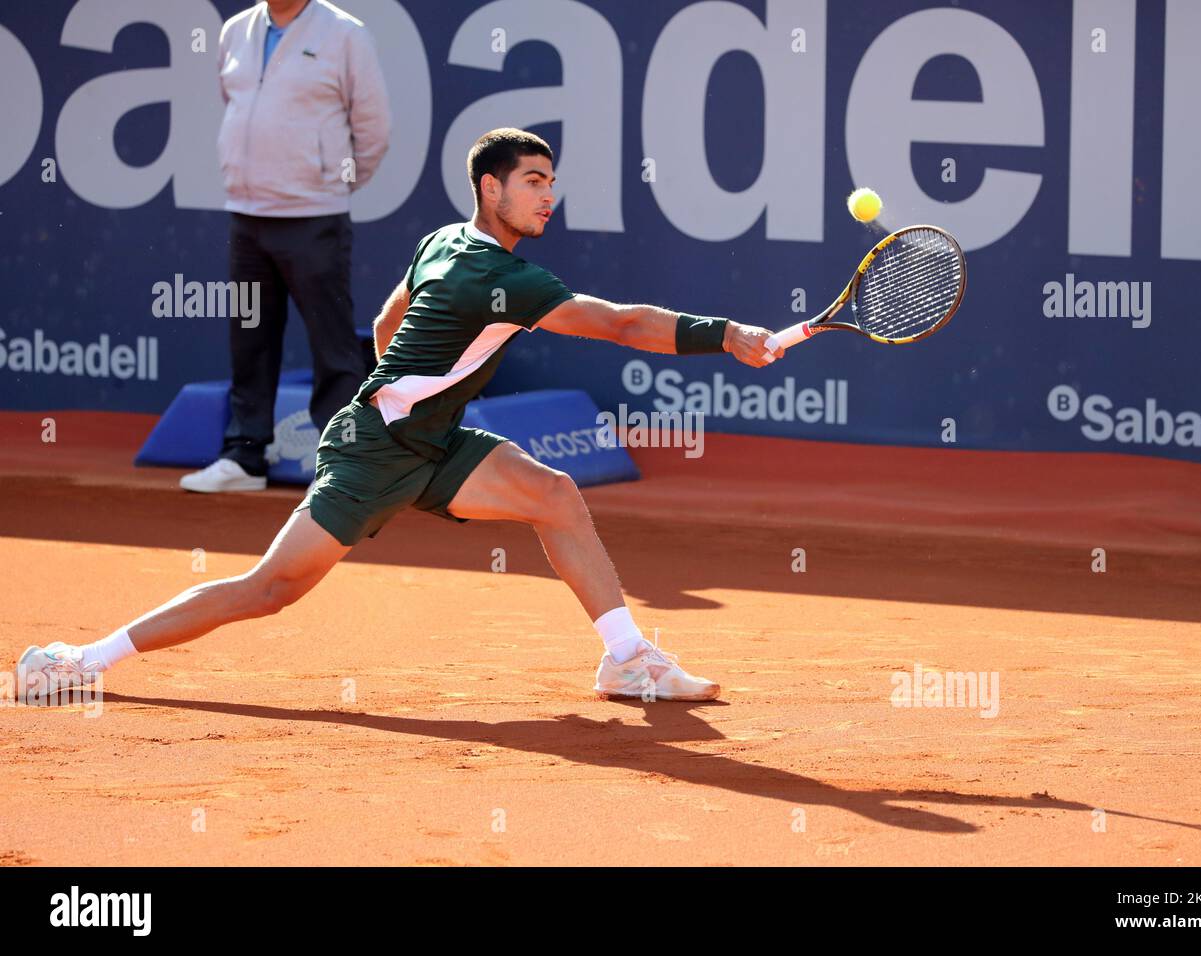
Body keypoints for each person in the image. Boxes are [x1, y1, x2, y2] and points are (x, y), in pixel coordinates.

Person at [18, 128, 786, 703]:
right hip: (376, 450)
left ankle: (625, 659)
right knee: (270, 588)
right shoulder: (502, 275)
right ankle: (81, 662)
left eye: (552, 181)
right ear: (493, 189)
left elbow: (389, 323)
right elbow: (621, 323)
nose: (549, 195)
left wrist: (423, 386)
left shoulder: (443, 241)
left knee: (554, 494)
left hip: (428, 436)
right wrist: (729, 336)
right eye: (534, 181)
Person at [181, 0, 391, 493]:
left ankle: (345, 465)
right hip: (247, 215)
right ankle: (245, 457)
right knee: (249, 338)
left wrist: (327, 185)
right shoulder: (235, 31)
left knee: (332, 346)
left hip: (314, 217)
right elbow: (237, 107)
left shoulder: (346, 34)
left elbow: (374, 128)